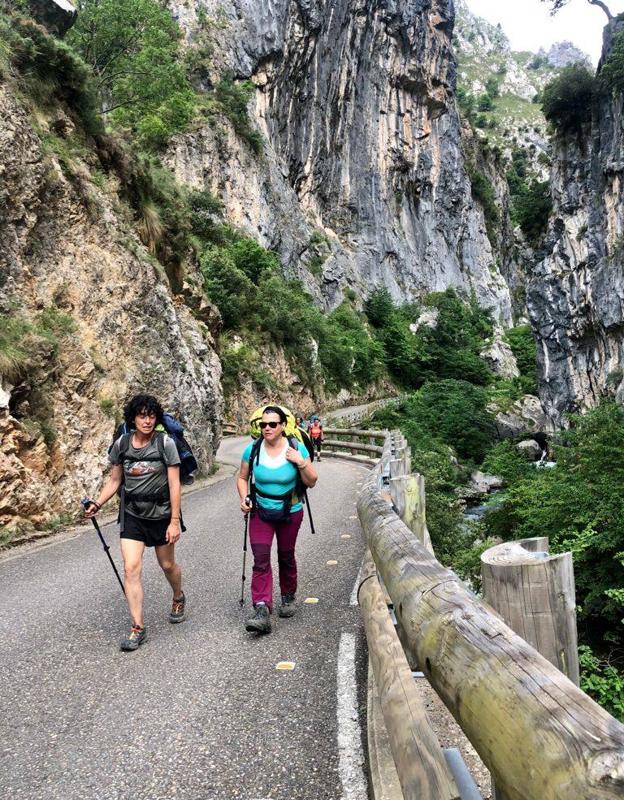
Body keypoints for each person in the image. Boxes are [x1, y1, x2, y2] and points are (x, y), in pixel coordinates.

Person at [84, 393, 186, 651]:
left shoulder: (165, 443)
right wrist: (98, 503)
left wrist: (174, 521)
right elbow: (115, 481)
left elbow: (175, 484)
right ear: (133, 418)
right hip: (132, 514)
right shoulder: (123, 443)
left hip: (162, 514)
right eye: (142, 416)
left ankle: (177, 596)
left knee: (166, 563)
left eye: (152, 416)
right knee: (131, 568)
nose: (147, 421)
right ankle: (137, 627)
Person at [237, 405, 318, 634]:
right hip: (261, 511)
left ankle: (288, 594)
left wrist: (300, 462)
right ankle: (262, 608)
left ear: (283, 426)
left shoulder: (295, 447)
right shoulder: (252, 450)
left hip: (290, 511)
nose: (267, 428)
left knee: (286, 554)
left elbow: (312, 480)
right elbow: (242, 478)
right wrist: (244, 497)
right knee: (261, 558)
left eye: (273, 424)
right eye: (263, 424)